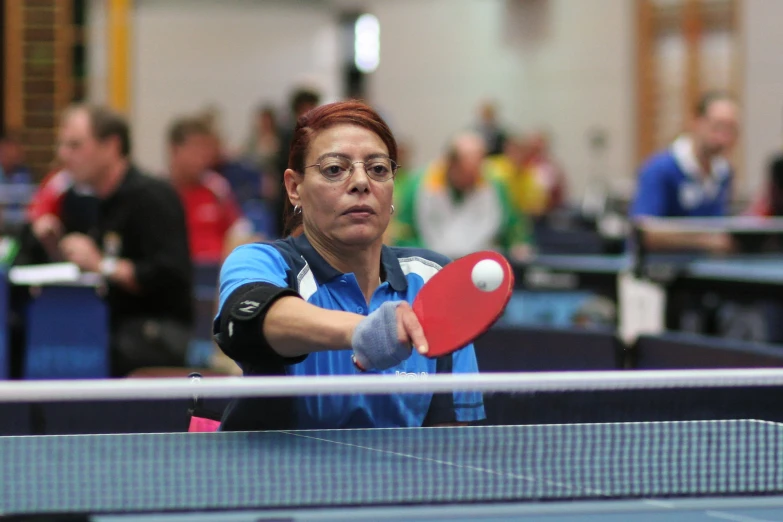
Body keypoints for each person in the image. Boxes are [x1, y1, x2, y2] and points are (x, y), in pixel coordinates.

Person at [213, 100, 485, 431]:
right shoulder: (263, 261)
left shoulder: (435, 279)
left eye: (378, 169)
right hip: (282, 479)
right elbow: (245, 321)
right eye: (334, 169)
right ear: (294, 188)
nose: (360, 182)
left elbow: (453, 436)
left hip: (404, 481)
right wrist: (360, 331)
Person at [55, 103, 194, 376]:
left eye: (75, 145)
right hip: (109, 324)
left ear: (111, 146)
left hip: (156, 331)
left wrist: (102, 265)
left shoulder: (153, 196)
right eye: (62, 145)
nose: (63, 155)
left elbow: (170, 275)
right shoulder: (85, 200)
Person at [393, 131, 533, 261]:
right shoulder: (418, 186)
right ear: (451, 164)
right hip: (430, 267)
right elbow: (403, 233)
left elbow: (513, 227)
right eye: (467, 171)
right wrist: (425, 254)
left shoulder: (494, 187)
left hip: (480, 267)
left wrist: (518, 245)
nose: (473, 177)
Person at [630, 91, 739, 252]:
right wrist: (705, 241)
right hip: (657, 272)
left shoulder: (724, 173)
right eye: (718, 127)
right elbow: (644, 231)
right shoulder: (659, 170)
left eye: (731, 130)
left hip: (705, 271)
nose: (723, 138)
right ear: (696, 122)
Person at [167, 116, 255, 264]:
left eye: (205, 150)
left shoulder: (217, 188)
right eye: (195, 149)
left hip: (217, 275)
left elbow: (240, 230)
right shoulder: (160, 193)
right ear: (175, 150)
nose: (202, 157)